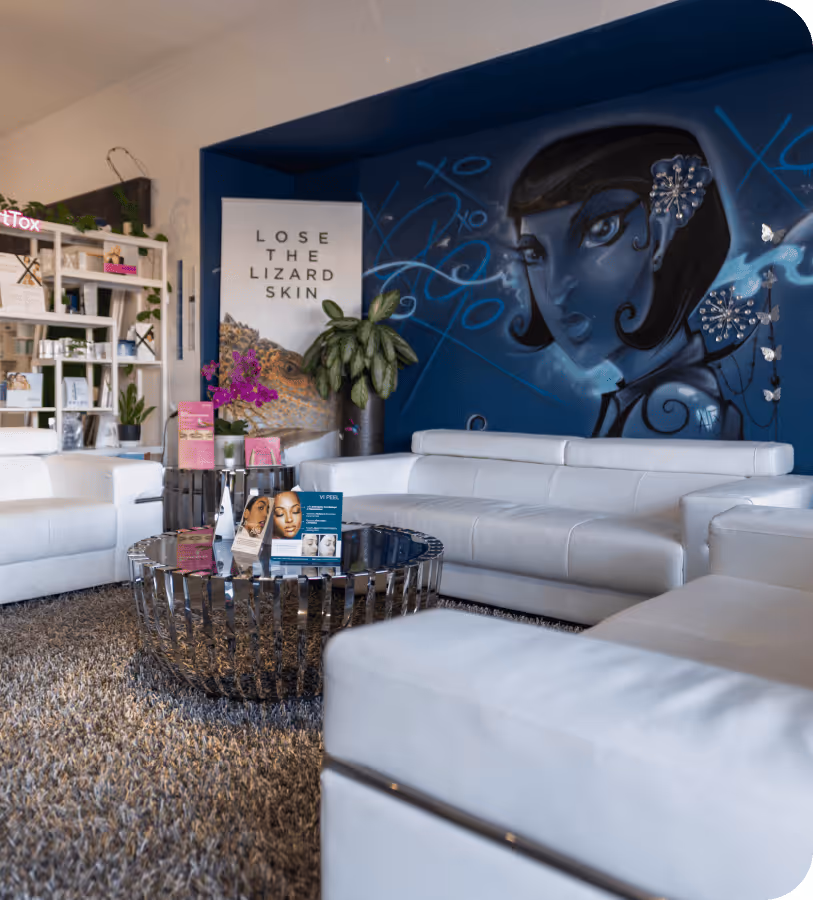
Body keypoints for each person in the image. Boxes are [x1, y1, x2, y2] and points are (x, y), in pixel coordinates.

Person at [508, 124, 742, 439]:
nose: (557, 288)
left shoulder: (669, 410)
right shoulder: (651, 397)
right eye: (535, 254)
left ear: (661, 237)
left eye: (600, 230)